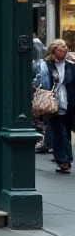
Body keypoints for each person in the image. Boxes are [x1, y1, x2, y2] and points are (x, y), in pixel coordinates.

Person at [34, 39, 75, 173]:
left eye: (64, 51)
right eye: (59, 51)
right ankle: (63, 160)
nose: (62, 54)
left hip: (68, 102)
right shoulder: (45, 65)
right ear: (53, 51)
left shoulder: (70, 66)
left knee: (66, 131)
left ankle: (66, 158)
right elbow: (37, 81)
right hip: (52, 102)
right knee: (58, 131)